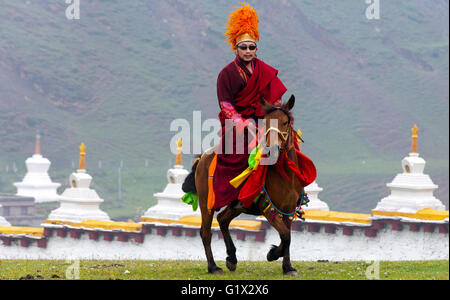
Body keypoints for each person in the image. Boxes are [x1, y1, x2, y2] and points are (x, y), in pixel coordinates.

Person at [182, 3, 287, 210]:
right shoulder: (227, 73)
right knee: (237, 153)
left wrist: (274, 114)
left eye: (252, 47)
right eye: (243, 47)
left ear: (256, 48)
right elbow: (225, 104)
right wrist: (243, 124)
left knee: (286, 149)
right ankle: (236, 197)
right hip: (237, 124)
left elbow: (273, 98)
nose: (248, 51)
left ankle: (289, 196)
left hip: (263, 120)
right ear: (235, 48)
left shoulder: (264, 70)